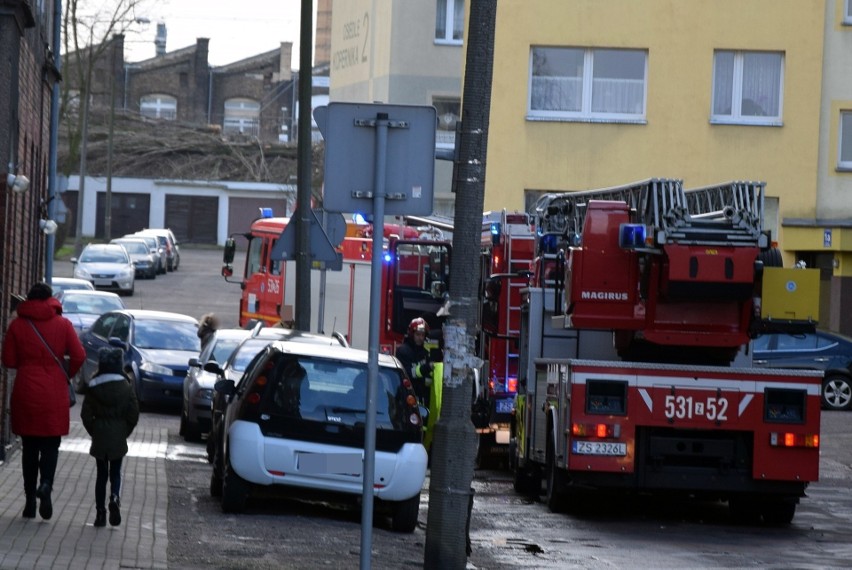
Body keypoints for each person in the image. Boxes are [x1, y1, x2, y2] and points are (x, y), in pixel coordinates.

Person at [1, 282, 85, 520]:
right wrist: (64, 374)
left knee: (29, 448)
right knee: (50, 445)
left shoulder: (17, 325)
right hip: (54, 393)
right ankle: (46, 484)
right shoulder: (63, 324)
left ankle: (29, 501)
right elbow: (79, 355)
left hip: (26, 390)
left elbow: (8, 360)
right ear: (50, 300)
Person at [81, 346, 140, 527]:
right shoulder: (126, 386)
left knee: (101, 475)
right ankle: (114, 496)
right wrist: (124, 431)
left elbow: (85, 414)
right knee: (116, 473)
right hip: (118, 435)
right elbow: (133, 413)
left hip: (100, 434)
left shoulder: (93, 385)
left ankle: (100, 514)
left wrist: (95, 430)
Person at [395, 317, 433, 402]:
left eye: (423, 335)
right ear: (412, 334)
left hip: (421, 397)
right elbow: (407, 373)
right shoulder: (403, 351)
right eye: (418, 334)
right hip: (406, 396)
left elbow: (428, 378)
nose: (420, 338)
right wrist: (426, 368)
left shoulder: (425, 353)